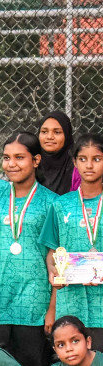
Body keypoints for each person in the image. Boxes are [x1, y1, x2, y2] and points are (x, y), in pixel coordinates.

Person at [0, 133, 58, 366]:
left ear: (36, 160)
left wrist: (52, 307)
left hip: (34, 303)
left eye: (20, 158)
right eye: (7, 158)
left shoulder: (53, 203)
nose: (11, 164)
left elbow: (56, 257)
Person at [45, 132, 103, 350]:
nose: (89, 165)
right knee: (73, 365)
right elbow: (52, 253)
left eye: (97, 159)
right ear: (74, 162)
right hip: (71, 303)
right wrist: (53, 271)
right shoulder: (61, 205)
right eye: (83, 159)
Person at [37, 111, 80, 195]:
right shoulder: (32, 164)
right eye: (44, 132)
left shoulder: (77, 168)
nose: (49, 137)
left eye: (57, 132)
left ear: (66, 135)